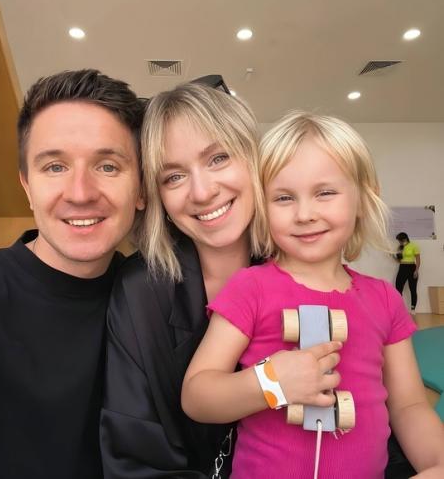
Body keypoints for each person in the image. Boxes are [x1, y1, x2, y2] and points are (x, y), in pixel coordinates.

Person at [182, 111, 444, 478]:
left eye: (325, 193)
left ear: (364, 197)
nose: (304, 214)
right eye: (283, 197)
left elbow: (409, 405)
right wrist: (270, 383)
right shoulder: (250, 288)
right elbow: (197, 396)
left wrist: (437, 461)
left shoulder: (385, 299)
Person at [99, 85, 342, 478]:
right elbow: (134, 457)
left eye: (218, 158)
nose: (202, 191)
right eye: (174, 176)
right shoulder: (141, 290)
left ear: (253, 158)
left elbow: (365, 407)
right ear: (157, 196)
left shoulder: (305, 265)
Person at [0, 69, 145, 479]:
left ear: (141, 189)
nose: (80, 193)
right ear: (27, 187)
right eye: (55, 167)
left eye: (108, 166)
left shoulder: (156, 303)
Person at [395, 231, 421, 312]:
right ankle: (399, 308)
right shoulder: (400, 248)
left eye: (400, 240)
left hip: (412, 267)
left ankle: (413, 309)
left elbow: (418, 259)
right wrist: (392, 256)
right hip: (402, 267)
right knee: (398, 288)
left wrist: (416, 270)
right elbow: (399, 261)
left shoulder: (414, 246)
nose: (399, 242)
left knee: (413, 289)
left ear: (405, 239)